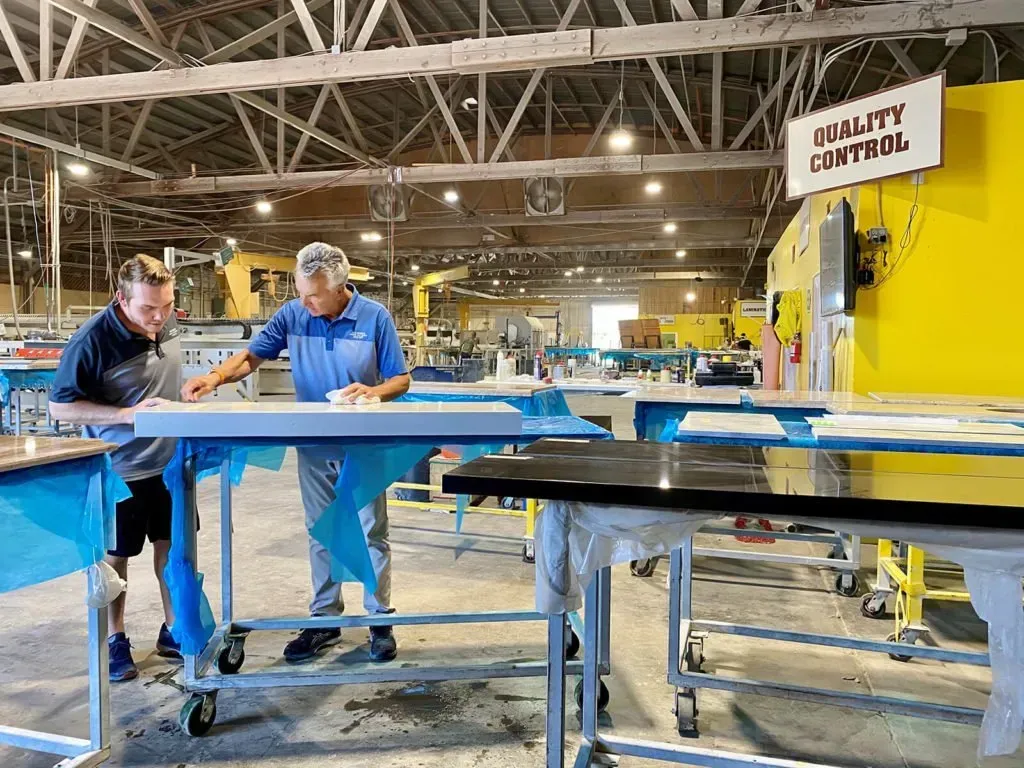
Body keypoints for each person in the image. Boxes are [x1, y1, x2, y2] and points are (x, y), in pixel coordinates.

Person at [181, 242, 410, 664]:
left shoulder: (375, 316)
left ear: (340, 288)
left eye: (313, 295)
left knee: (370, 530)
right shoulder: (292, 314)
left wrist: (373, 391)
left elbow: (401, 379)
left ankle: (380, 619)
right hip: (314, 444)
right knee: (321, 530)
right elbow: (252, 356)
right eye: (301, 292)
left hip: (364, 444)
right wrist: (213, 377)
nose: (304, 302)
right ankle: (325, 619)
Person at [49, 255, 182, 682]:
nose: (159, 317)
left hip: (170, 465)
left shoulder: (165, 321)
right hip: (120, 469)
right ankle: (115, 638)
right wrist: (128, 415)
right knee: (114, 559)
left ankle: (175, 629)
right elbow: (59, 408)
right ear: (121, 299)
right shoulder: (92, 340)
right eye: (148, 309)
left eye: (168, 305)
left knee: (173, 550)